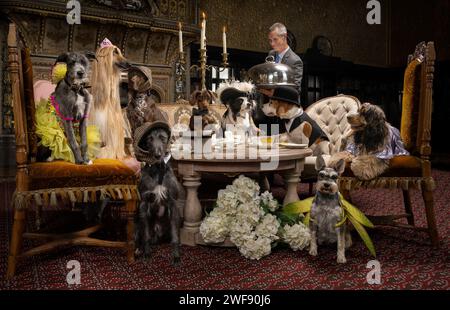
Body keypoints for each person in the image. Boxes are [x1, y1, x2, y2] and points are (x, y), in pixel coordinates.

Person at [268, 22, 303, 96]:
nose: (272, 44)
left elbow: (296, 89)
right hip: (271, 102)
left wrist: (275, 93)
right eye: (270, 40)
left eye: (275, 39)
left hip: (288, 105)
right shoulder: (271, 54)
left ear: (284, 37)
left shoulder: (295, 61)